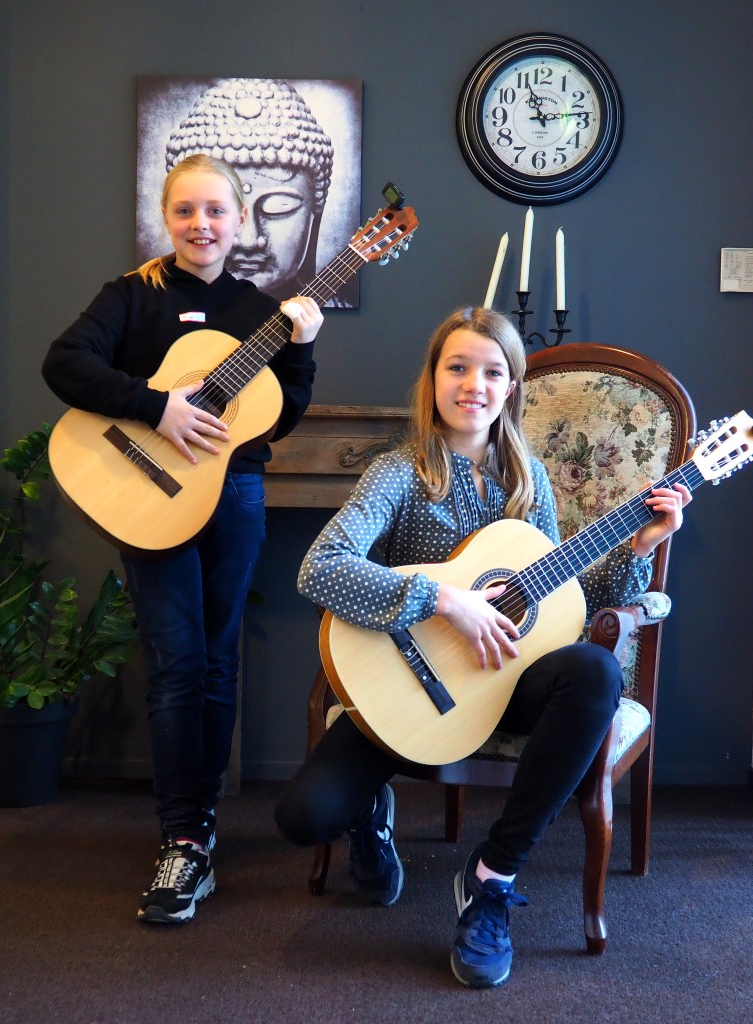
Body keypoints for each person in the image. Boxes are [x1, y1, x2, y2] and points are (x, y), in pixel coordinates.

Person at [274, 306, 690, 988]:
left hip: (504, 685)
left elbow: (567, 598)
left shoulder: (528, 481)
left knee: (593, 670)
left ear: (511, 387)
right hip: (409, 686)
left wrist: (639, 546)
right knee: (302, 818)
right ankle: (371, 814)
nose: (474, 384)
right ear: (433, 379)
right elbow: (319, 569)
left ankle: (492, 875)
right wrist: (446, 601)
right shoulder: (397, 473)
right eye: (458, 367)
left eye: (493, 372)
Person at [42, 152, 324, 924]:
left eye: (215, 211)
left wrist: (302, 346)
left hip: (232, 494)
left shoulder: (261, 311)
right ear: (165, 218)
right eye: (185, 211)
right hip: (149, 495)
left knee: (218, 660)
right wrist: (155, 406)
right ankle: (181, 838)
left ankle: (202, 826)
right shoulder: (131, 295)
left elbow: (278, 417)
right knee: (176, 664)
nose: (201, 224)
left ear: (239, 219)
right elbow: (64, 364)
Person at [159, 78, 339, 302]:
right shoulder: (145, 302)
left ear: (315, 211)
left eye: (278, 207)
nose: (248, 241)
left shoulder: (301, 316)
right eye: (217, 211)